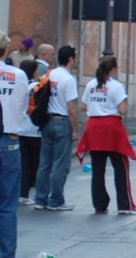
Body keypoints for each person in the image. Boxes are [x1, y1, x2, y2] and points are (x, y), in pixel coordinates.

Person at [76, 56, 136, 215]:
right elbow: (123, 110)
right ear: (112, 69)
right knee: (120, 167)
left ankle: (100, 204)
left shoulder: (91, 84)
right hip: (111, 129)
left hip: (94, 128)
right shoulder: (116, 86)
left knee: (98, 169)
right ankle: (124, 205)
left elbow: (84, 106)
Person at [33, 45, 78, 211]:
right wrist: (75, 130)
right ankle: (56, 200)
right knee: (60, 164)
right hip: (61, 121)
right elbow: (71, 108)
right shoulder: (68, 79)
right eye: (75, 57)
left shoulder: (49, 74)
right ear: (71, 59)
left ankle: (40, 199)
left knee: (44, 163)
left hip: (47, 121)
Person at [0, 30, 28, 258]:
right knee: (7, 205)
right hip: (8, 140)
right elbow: (22, 105)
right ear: (6, 51)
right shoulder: (17, 75)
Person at [18, 60, 41, 206]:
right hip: (34, 129)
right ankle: (29, 192)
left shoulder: (19, 85)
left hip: (20, 127)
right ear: (32, 71)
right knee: (35, 163)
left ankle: (22, 193)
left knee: (24, 163)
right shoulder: (36, 87)